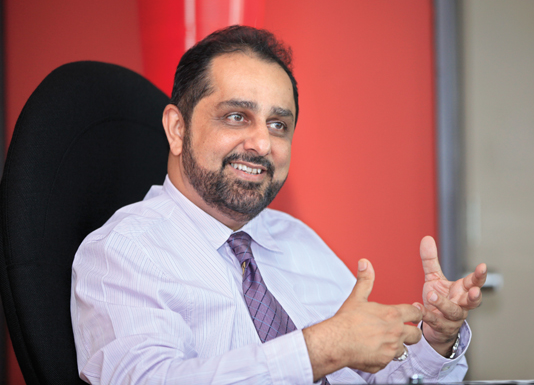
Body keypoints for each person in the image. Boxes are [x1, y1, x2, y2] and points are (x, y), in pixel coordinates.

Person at [71, 25, 487, 384]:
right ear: (177, 129)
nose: (262, 143)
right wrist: (319, 350)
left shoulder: (296, 240)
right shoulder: (122, 252)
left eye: (278, 124)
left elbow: (372, 373)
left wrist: (436, 341)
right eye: (236, 116)